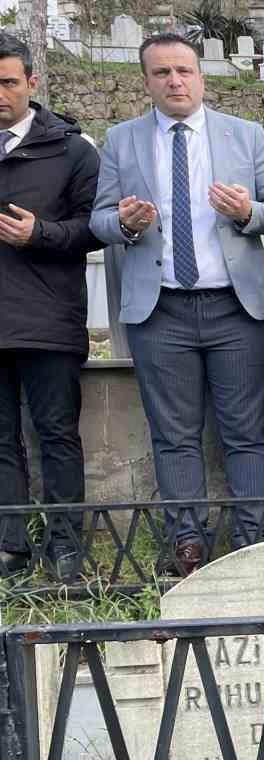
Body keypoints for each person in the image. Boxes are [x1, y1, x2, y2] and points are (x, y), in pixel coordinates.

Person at [90, 33, 264, 575]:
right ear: (146, 81)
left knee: (246, 432)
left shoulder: (244, 136)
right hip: (161, 310)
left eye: (184, 71)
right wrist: (126, 226)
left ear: (201, 75)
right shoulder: (122, 140)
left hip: (235, 307)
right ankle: (188, 544)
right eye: (162, 73)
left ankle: (253, 542)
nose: (175, 81)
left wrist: (249, 211)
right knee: (173, 435)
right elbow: (99, 221)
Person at [0, 34, 102, 583]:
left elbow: (97, 228)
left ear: (32, 84)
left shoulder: (71, 149)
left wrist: (41, 233)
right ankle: (10, 545)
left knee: (57, 435)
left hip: (48, 320)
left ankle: (66, 547)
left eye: (8, 82)